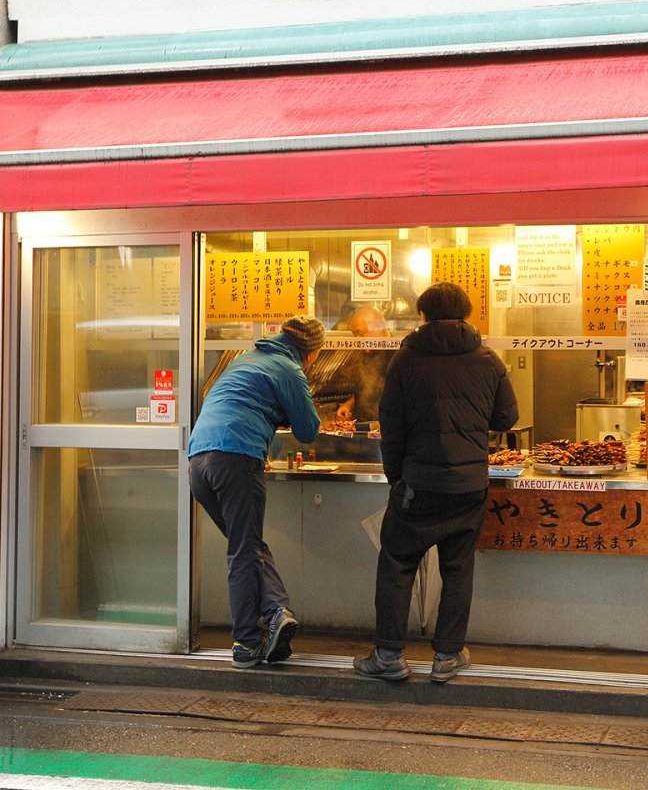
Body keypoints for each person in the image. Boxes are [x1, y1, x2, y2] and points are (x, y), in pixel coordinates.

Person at [354, 282, 518, 683]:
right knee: (458, 569)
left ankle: (389, 655)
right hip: (468, 485)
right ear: (466, 314)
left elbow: (390, 428)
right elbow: (506, 419)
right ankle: (447, 656)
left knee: (396, 564)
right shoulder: (489, 361)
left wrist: (398, 478)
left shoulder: (406, 361)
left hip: (418, 485)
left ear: (423, 315)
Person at [188, 315, 325, 669]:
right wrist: (284, 414)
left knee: (247, 545)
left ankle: (278, 612)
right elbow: (309, 430)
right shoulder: (288, 369)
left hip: (199, 461)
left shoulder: (246, 359)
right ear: (310, 354)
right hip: (235, 458)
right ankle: (246, 643)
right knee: (243, 552)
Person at [334, 304, 392, 423]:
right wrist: (349, 405)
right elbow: (370, 390)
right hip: (361, 427)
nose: (357, 340)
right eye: (355, 335)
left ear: (377, 327)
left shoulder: (398, 354)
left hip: (387, 429)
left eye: (360, 333)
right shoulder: (364, 354)